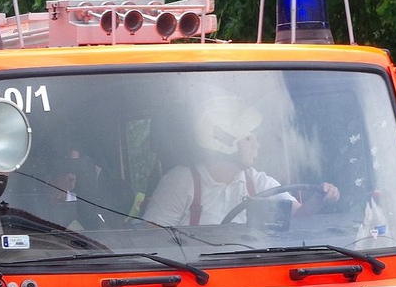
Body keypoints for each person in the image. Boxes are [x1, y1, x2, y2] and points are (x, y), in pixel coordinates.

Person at [144, 96, 339, 227]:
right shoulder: (181, 182)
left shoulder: (257, 182)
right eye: (249, 138)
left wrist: (320, 199)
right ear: (226, 141)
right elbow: (153, 240)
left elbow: (298, 215)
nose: (257, 145)